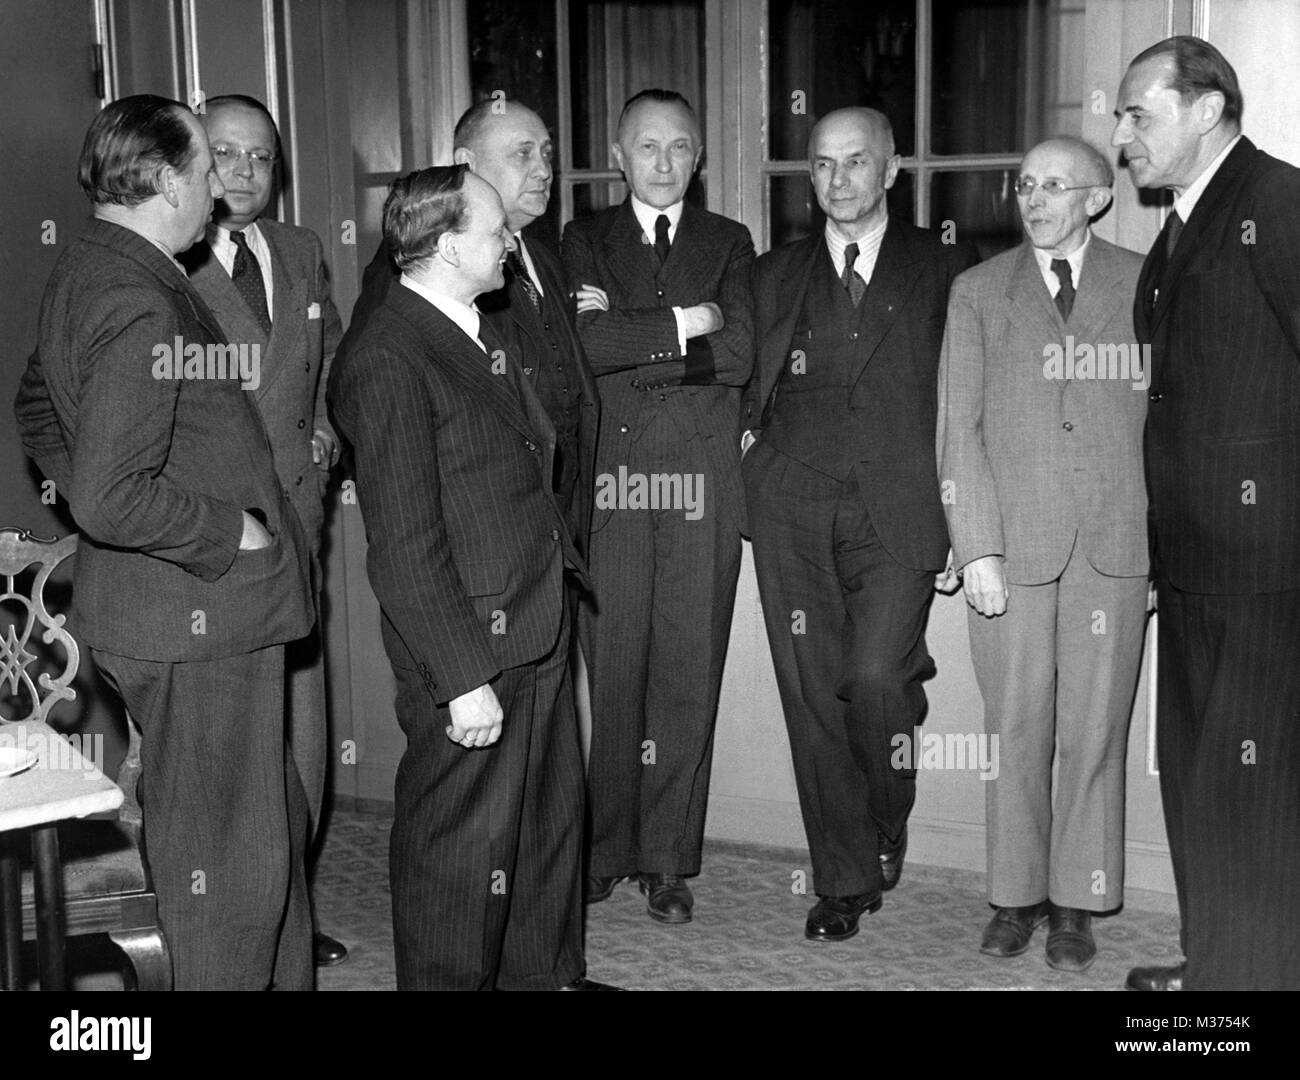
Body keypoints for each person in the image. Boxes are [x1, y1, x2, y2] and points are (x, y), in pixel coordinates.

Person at [13, 94, 315, 989]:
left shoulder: (94, 266)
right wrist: (231, 529)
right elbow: (111, 496)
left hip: (163, 611)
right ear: (166, 180)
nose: (218, 196)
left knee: (259, 828)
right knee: (226, 868)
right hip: (200, 617)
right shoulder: (139, 296)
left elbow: (36, 403)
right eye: (206, 174)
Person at [327, 165, 612, 990]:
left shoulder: (472, 327)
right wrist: (462, 679)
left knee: (542, 830)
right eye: (498, 232)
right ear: (451, 247)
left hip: (535, 623)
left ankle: (543, 977)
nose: (513, 244)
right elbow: (405, 544)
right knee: (462, 853)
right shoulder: (389, 355)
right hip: (473, 653)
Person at [741, 107, 975, 942]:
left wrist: (970, 523)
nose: (838, 181)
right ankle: (841, 878)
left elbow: (972, 406)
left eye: (855, 163)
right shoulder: (773, 276)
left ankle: (885, 815)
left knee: (877, 678)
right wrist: (751, 464)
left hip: (902, 511)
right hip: (791, 508)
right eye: (822, 166)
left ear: (891, 169)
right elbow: (732, 378)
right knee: (813, 697)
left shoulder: (948, 268)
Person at [1112, 35, 1300, 992]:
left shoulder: (1278, 202)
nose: (1122, 136)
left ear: (1207, 108)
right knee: (1200, 783)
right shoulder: (1182, 224)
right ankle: (1224, 964)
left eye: (1138, 114)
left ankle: (1245, 991)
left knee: (1249, 789)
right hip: (1189, 560)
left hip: (1268, 566)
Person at [937, 136, 1148, 972]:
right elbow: (959, 428)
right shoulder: (978, 292)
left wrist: (1160, 545)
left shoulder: (1145, 282)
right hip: (1011, 547)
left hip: (1114, 544)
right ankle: (1017, 897)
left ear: (1097, 198)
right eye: (1026, 185)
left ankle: (1077, 903)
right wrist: (975, 546)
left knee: (1094, 733)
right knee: (1014, 728)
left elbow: (1172, 421)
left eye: (1055, 186)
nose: (1035, 199)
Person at [562, 89, 755, 924]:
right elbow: (584, 346)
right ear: (619, 153)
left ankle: (669, 859)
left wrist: (636, 344)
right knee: (615, 669)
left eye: (681, 147)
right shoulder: (583, 239)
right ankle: (605, 850)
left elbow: (742, 353)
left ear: (701, 154)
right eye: (649, 147)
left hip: (700, 483)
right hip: (616, 482)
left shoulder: (730, 241)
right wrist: (687, 325)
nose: (666, 162)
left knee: (687, 669)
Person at [179, 93, 348, 969]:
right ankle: (254, 922)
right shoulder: (166, 264)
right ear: (196, 161)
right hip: (221, 547)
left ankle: (297, 907)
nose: (244, 174)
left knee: (304, 736)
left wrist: (323, 426)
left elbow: (327, 363)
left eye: (261, 159)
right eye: (227, 155)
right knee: (238, 757)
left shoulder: (302, 250)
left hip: (300, 525)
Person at [339, 99, 598, 564]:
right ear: (465, 163)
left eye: (547, 153)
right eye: (523, 153)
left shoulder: (543, 254)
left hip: (560, 526)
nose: (543, 170)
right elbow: (355, 386)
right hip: (485, 543)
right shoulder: (422, 260)